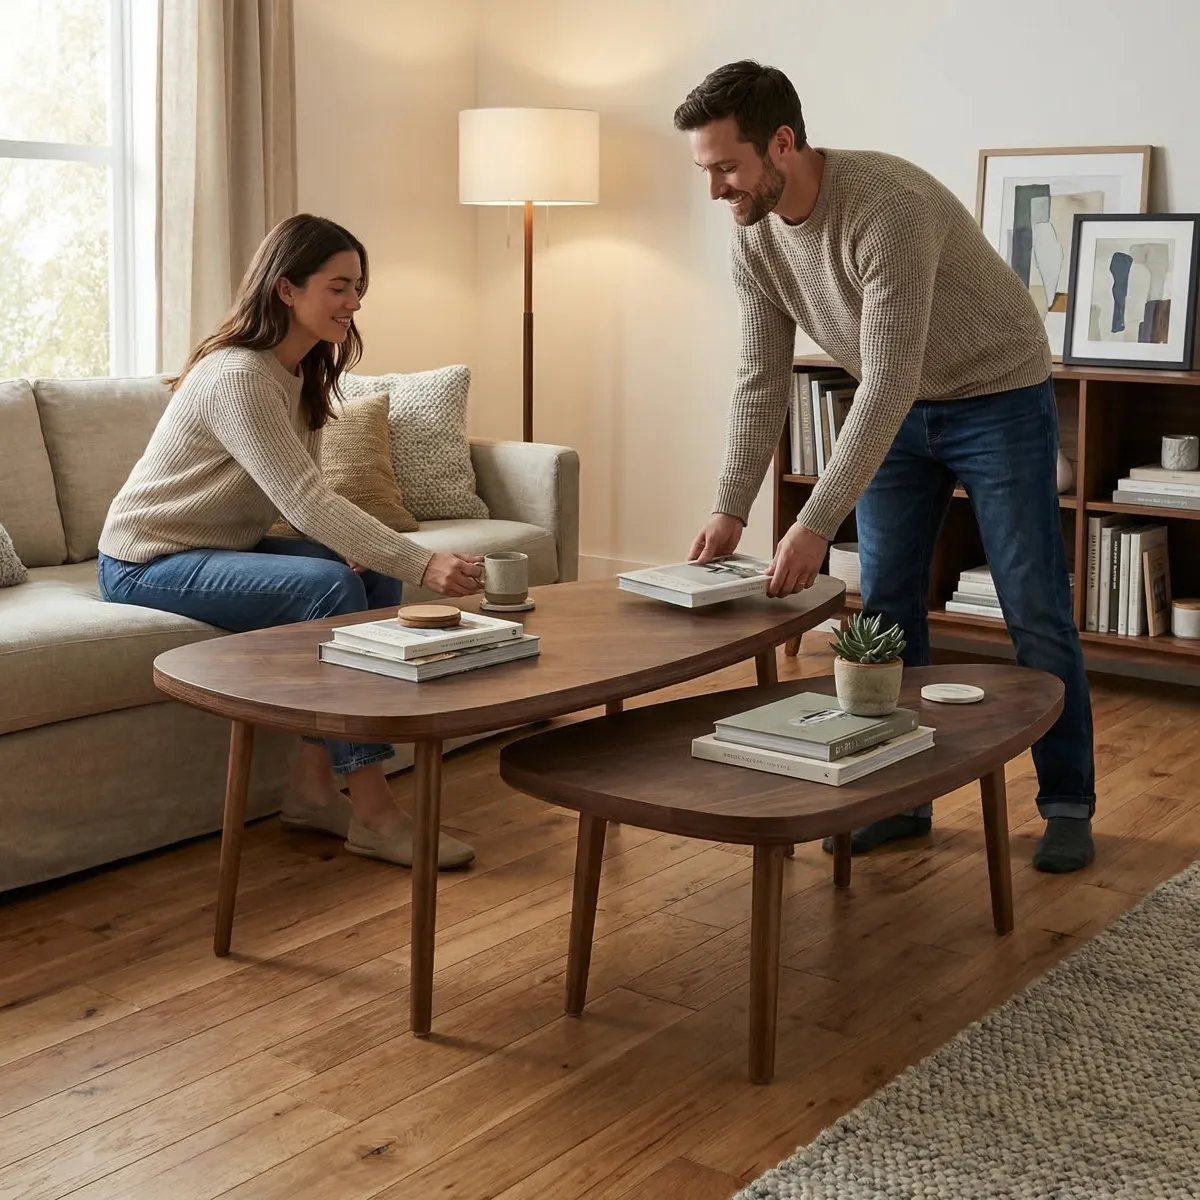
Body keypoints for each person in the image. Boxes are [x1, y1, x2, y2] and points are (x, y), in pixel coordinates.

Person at [675, 61, 1095, 873]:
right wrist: (730, 505)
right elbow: (762, 380)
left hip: (996, 393)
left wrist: (814, 520)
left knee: (1033, 605)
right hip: (896, 411)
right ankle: (900, 800)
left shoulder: (886, 207)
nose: (716, 190)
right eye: (706, 170)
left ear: (783, 144)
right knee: (888, 611)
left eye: (727, 167)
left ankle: (1067, 801)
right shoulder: (754, 240)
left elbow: (891, 376)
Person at [97, 214, 481, 870]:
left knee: (366, 576)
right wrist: (423, 559)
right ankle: (374, 812)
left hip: (219, 546)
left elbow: (299, 494)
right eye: (338, 287)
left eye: (358, 287)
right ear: (286, 290)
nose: (354, 303)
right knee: (332, 584)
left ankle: (309, 789)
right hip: (145, 559)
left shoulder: (300, 371)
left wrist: (364, 549)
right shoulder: (239, 375)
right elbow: (307, 501)